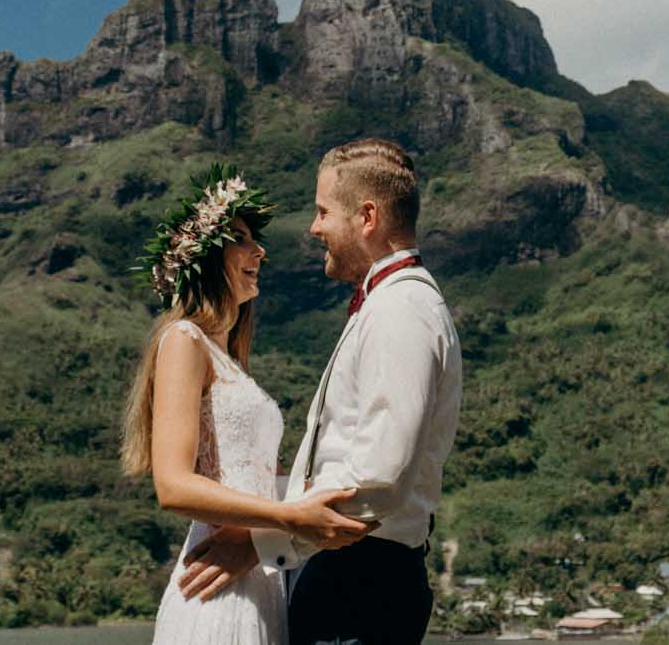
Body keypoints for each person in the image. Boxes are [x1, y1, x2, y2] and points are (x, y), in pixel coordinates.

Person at [179, 138, 462, 645]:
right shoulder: (388, 305)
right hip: (347, 576)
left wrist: (262, 541)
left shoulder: (401, 311)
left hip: (361, 586)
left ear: (367, 217)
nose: (314, 228)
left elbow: (379, 479)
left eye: (323, 211)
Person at [121, 163, 372, 645]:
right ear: (205, 257)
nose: (259, 250)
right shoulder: (183, 340)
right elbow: (173, 485)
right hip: (216, 580)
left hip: (261, 574)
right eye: (239, 237)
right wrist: (289, 519)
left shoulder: (229, 361)